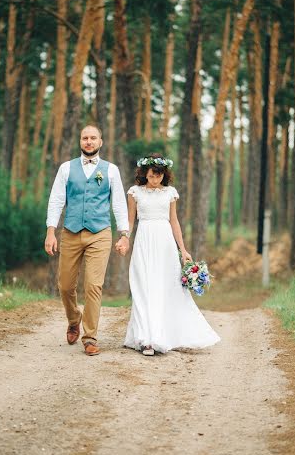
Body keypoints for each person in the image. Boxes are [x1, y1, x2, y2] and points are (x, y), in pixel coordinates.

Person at [118, 154, 220, 356]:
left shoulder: (170, 193)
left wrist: (183, 250)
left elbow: (174, 222)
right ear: (144, 174)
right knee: (143, 286)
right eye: (152, 175)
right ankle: (146, 339)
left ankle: (163, 335)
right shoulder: (134, 192)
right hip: (144, 241)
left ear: (164, 175)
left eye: (159, 175)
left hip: (165, 243)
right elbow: (130, 221)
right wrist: (125, 238)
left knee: (164, 288)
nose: (155, 179)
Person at [44, 125, 130, 356]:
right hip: (70, 232)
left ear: (101, 142)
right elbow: (56, 200)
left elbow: (119, 203)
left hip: (100, 233)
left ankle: (90, 336)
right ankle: (74, 318)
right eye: (85, 138)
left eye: (93, 138)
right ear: (80, 141)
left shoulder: (111, 170)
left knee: (93, 285)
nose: (89, 141)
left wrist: (124, 234)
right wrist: (51, 231)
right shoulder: (66, 168)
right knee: (65, 285)